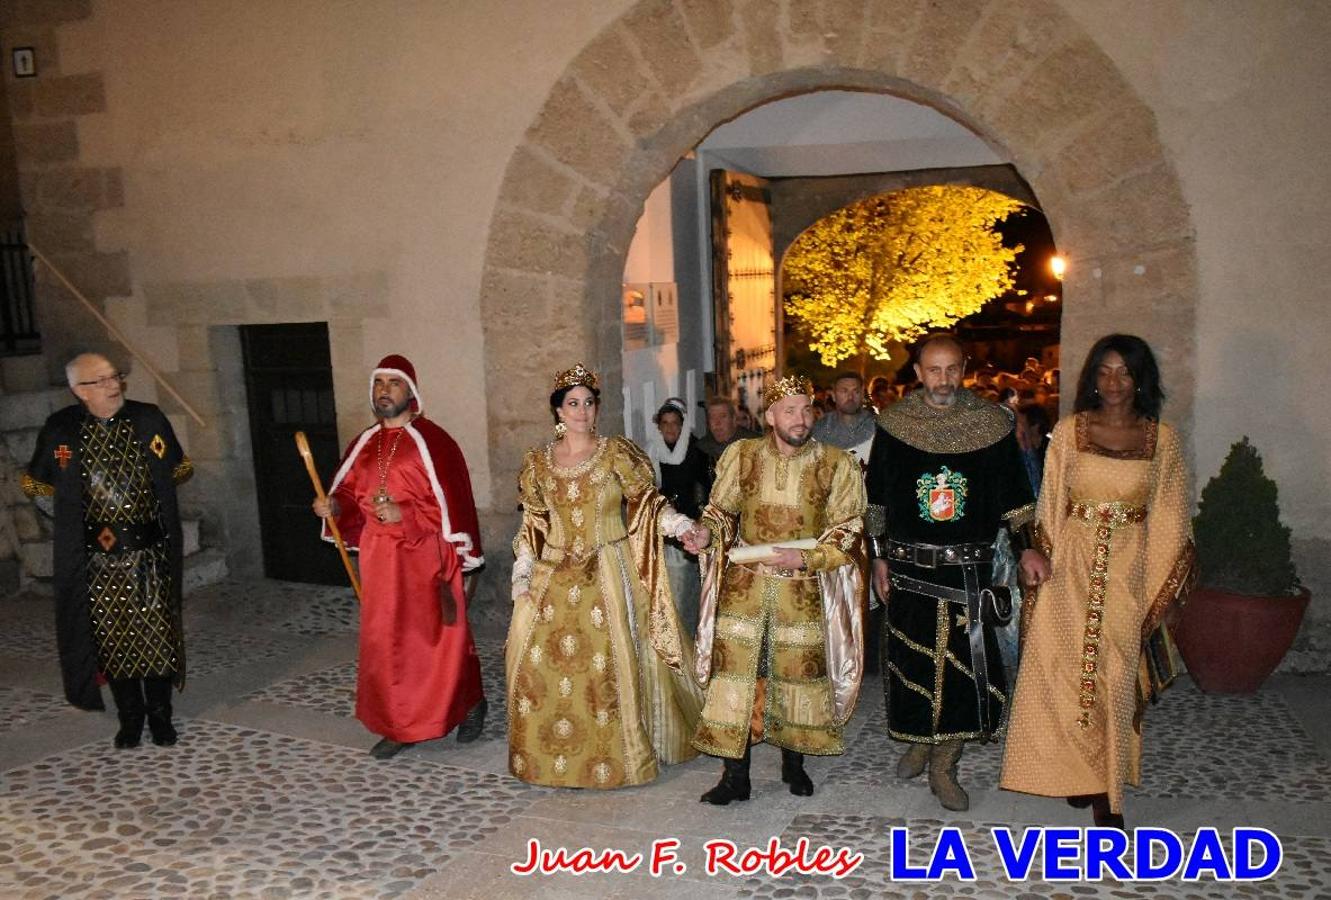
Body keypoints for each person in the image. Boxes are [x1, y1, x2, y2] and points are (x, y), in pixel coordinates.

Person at [1000, 335, 1196, 830]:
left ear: (1140, 380)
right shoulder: (1069, 432)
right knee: (1064, 674)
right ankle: (1077, 773)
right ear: (1093, 377)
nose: (1114, 382)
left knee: (1113, 672)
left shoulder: (1163, 440)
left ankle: (1108, 790)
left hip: (1130, 570)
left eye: (1124, 372)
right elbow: (1050, 502)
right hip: (1072, 566)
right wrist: (1039, 557)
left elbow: (1170, 515)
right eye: (1105, 371)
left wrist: (1166, 589)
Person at [864, 334, 1049, 811]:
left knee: (965, 668)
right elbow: (878, 498)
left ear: (963, 367)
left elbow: (1016, 498)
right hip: (907, 566)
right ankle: (922, 740)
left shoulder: (990, 424)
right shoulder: (896, 423)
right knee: (913, 662)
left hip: (969, 569)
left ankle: (946, 762)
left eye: (951, 369)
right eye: (933, 370)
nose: (943, 379)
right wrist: (879, 557)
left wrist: (1028, 549)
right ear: (919, 372)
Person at [507, 363, 704, 788]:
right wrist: (521, 577)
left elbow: (648, 506)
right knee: (544, 665)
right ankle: (553, 758)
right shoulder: (537, 463)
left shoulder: (618, 454)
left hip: (609, 570)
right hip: (555, 574)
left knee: (610, 665)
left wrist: (685, 528)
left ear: (597, 410)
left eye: (589, 403)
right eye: (572, 403)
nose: (581, 411)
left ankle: (618, 757)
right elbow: (533, 526)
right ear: (558, 411)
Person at [685, 375, 867, 805]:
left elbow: (849, 530)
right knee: (739, 679)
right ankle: (735, 777)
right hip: (744, 590)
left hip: (801, 592)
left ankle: (794, 764)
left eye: (806, 410)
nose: (801, 419)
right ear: (770, 416)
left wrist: (806, 558)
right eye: (790, 410)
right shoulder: (742, 455)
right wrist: (705, 536)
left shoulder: (836, 464)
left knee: (797, 678)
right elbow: (720, 513)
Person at [314, 354, 486, 759]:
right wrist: (334, 507)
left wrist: (404, 513)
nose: (384, 391)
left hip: (426, 558)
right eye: (379, 384)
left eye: (393, 383)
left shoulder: (435, 443)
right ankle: (399, 723)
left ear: (411, 391)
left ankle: (470, 703)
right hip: (381, 560)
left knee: (436, 642)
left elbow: (450, 507)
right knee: (386, 643)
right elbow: (351, 495)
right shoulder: (365, 444)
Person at [22, 353, 193, 749]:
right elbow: (35, 485)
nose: (113, 385)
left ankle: (161, 716)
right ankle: (130, 718)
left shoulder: (148, 418)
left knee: (156, 638)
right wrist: (68, 515)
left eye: (114, 376)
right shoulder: (60, 430)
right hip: (97, 562)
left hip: (149, 554)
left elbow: (181, 469)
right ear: (78, 390)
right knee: (114, 642)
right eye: (99, 381)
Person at [646, 397, 710, 633]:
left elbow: (707, 489)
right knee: (666, 591)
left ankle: (689, 640)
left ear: (682, 425)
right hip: (663, 532)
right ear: (659, 426)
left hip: (689, 533)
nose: (670, 428)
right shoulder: (652, 453)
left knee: (685, 592)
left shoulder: (696, 451)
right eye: (665, 423)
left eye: (675, 423)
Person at [811, 372, 877, 467]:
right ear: (833, 395)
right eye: (844, 391)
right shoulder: (819, 434)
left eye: (856, 391)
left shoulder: (876, 433)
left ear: (862, 394)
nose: (850, 397)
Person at [697, 397, 758, 477]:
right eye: (713, 417)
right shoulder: (701, 449)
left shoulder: (755, 445)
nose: (717, 423)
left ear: (734, 420)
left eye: (723, 416)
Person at [1015, 401, 1052, 495]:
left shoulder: (1052, 449)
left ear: (1035, 426)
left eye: (1022, 424)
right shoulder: (1018, 448)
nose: (1018, 428)